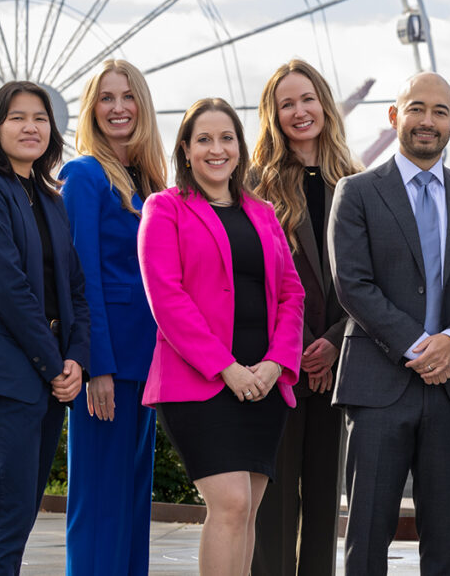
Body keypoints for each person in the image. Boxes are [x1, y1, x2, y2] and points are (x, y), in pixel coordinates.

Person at [329, 71, 450, 576]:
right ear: (394, 115)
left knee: (446, 538)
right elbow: (353, 284)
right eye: (416, 109)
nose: (427, 121)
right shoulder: (357, 192)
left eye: (438, 112)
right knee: (366, 533)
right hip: (378, 385)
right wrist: (418, 347)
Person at [138, 98, 304, 576]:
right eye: (204, 139)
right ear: (186, 150)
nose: (217, 149)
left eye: (227, 138)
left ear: (240, 147)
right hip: (201, 383)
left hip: (265, 383)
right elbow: (166, 298)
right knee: (229, 503)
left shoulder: (264, 212)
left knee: (247, 510)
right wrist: (226, 367)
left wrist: (276, 364)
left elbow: (292, 294)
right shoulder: (164, 208)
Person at [0, 81, 90, 574]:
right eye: (17, 117)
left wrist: (77, 359)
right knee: (9, 512)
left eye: (40, 117)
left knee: (25, 510)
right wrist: (55, 364)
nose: (31, 126)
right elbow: (6, 288)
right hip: (6, 372)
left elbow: (75, 288)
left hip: (50, 373)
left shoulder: (51, 199)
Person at [250, 60, 361, 576]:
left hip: (340, 360)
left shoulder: (358, 183)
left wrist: (335, 342)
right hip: (276, 361)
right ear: (273, 115)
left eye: (308, 99)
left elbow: (371, 277)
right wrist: (295, 346)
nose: (299, 112)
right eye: (286, 103)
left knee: (324, 500)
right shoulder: (254, 185)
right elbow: (252, 280)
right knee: (273, 501)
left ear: (325, 104)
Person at [61, 60, 168, 575]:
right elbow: (82, 276)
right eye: (106, 98)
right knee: (100, 503)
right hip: (108, 364)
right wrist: (94, 365)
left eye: (128, 97)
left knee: (131, 504)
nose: (118, 107)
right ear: (92, 109)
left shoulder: (147, 182)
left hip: (147, 364)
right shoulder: (83, 175)